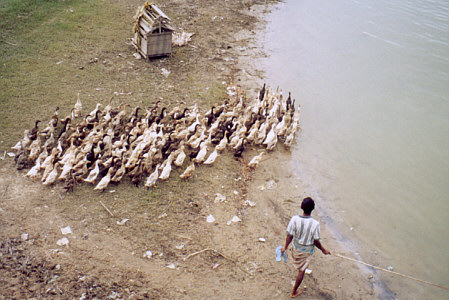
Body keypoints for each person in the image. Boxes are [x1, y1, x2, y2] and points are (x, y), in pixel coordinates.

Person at [282, 197, 331, 298]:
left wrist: (285, 247)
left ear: (301, 207)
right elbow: (316, 241)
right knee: (302, 271)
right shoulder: (315, 224)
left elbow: (289, 235)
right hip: (306, 252)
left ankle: (294, 290)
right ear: (312, 209)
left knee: (299, 268)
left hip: (296, 248)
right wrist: (324, 250)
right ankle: (294, 292)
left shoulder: (294, 219)